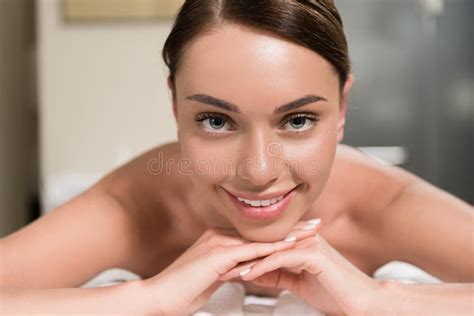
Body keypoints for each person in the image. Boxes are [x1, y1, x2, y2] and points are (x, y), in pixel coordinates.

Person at [1, 0, 472, 315]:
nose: (259, 172)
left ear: (343, 107)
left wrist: (377, 300)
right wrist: (148, 297)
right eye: (216, 121)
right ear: (174, 106)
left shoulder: (385, 207)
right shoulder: (137, 207)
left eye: (298, 120)